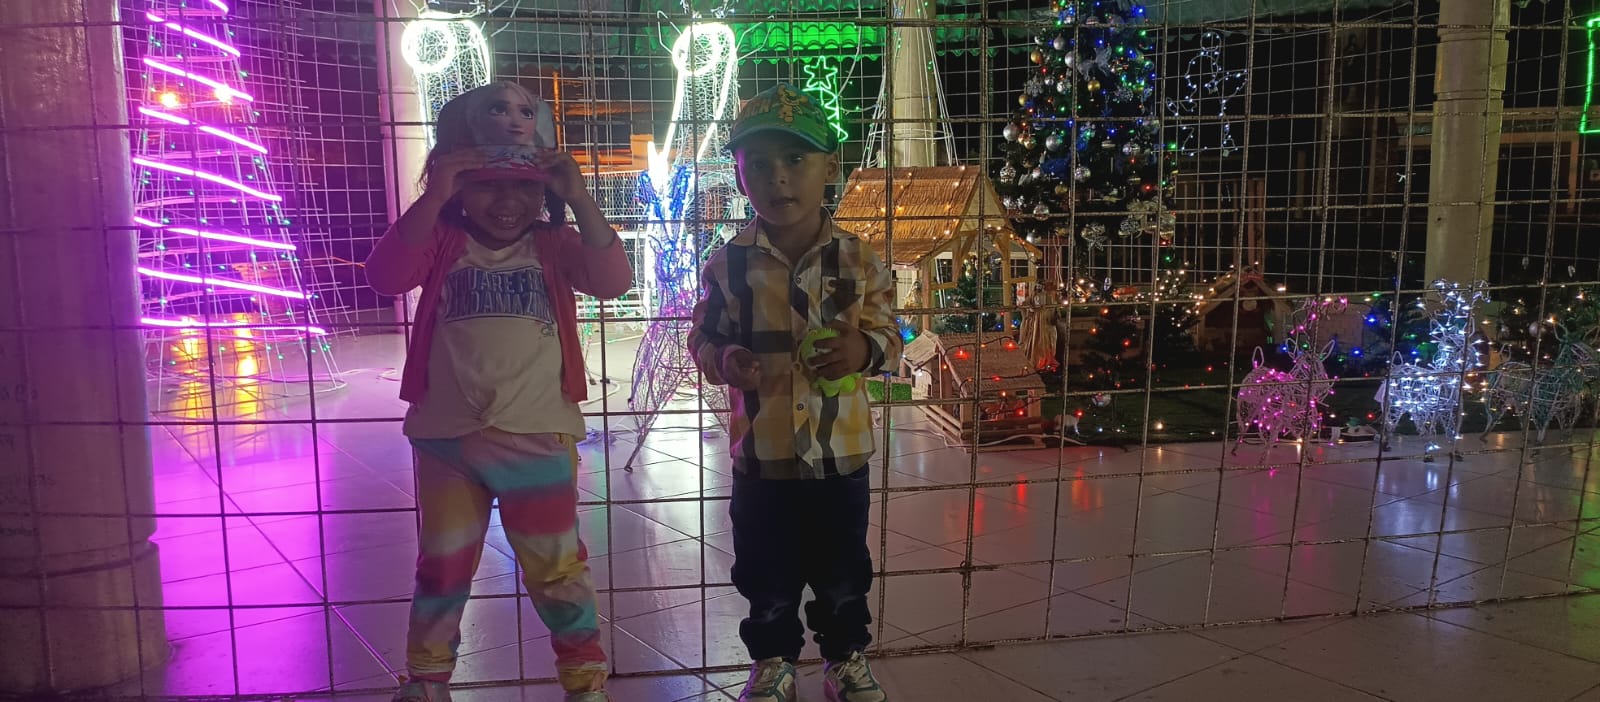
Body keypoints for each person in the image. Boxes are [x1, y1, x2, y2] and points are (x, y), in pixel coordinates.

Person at [365, 84, 630, 702]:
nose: (508, 201)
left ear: (545, 192)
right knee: (442, 567)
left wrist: (580, 197)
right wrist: (435, 196)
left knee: (556, 567)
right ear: (458, 184)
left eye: (525, 187)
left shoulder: (553, 244)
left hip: (538, 434)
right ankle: (428, 678)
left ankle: (584, 679)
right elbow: (385, 276)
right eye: (485, 184)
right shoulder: (442, 241)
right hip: (446, 440)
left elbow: (613, 280)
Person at [689, 83, 901, 702]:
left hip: (841, 456)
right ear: (739, 173)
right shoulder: (727, 265)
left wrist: (864, 350)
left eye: (795, 159)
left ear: (829, 168)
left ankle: (844, 657)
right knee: (765, 571)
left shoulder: (859, 260)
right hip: (764, 457)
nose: (777, 178)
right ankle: (773, 661)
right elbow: (703, 338)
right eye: (758, 164)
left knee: (843, 571)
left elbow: (891, 334)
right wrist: (725, 359)